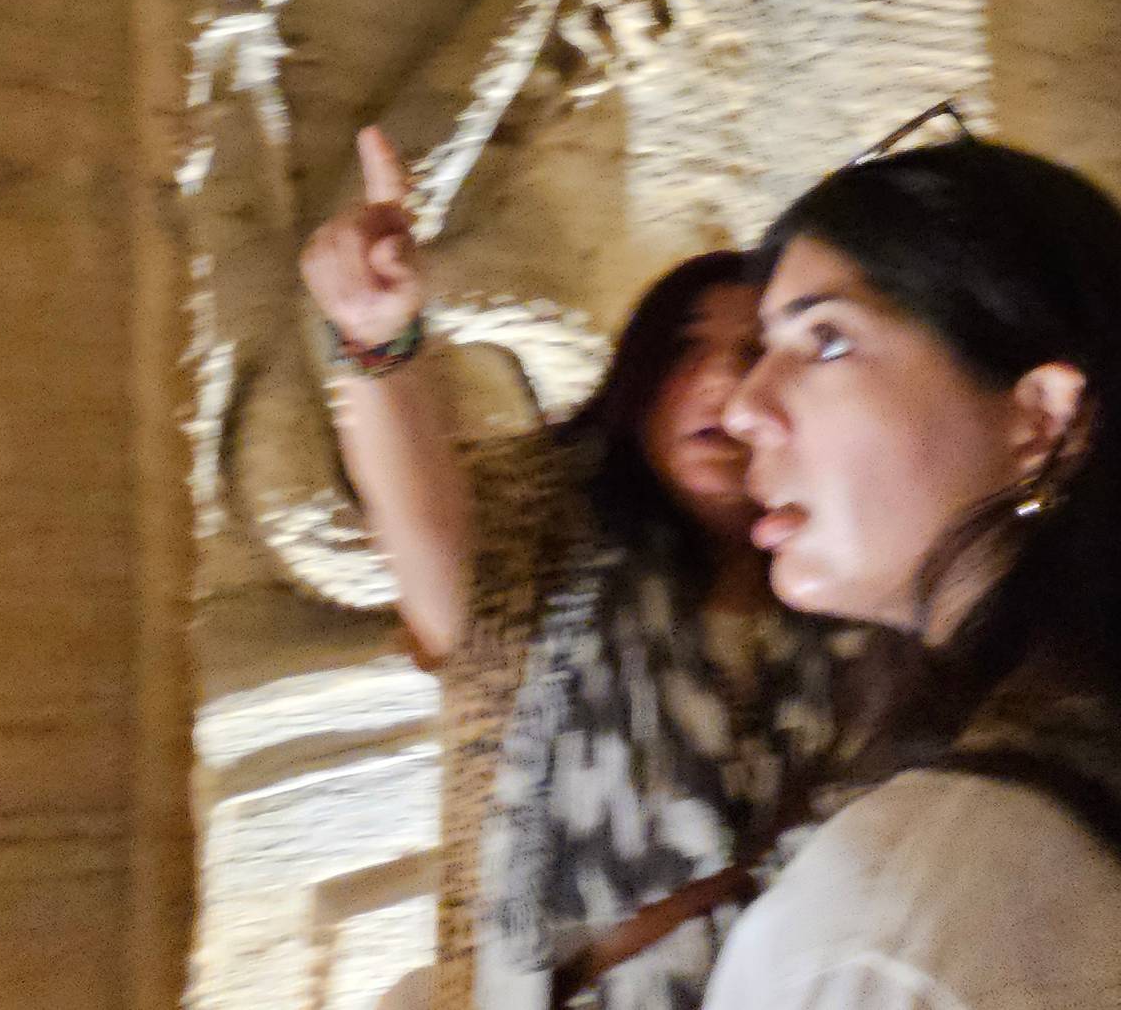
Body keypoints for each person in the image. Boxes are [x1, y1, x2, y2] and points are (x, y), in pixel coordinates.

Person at [302, 128, 841, 1010]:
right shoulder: (544, 542)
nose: (719, 381)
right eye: (684, 350)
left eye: (753, 355)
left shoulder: (869, 604)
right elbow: (430, 545)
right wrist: (376, 341)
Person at [705, 112, 1121, 1010]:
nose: (742, 409)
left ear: (1041, 420)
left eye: (826, 340)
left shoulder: (888, 933)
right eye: (763, 351)